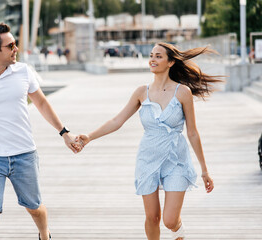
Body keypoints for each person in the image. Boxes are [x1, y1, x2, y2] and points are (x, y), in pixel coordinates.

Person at [77, 42, 221, 239]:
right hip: (148, 158)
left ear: (171, 62)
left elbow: (193, 133)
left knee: (169, 220)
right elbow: (117, 120)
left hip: (176, 159)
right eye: (152, 55)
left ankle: (179, 230)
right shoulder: (141, 92)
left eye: (158, 56)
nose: (152, 59)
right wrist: (89, 137)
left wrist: (205, 170)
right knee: (152, 217)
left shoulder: (182, 92)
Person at [0, 23, 81, 240]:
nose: (16, 49)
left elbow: (41, 102)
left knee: (35, 208)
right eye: (11, 45)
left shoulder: (23, 71)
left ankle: (44, 234)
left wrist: (64, 133)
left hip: (24, 154)